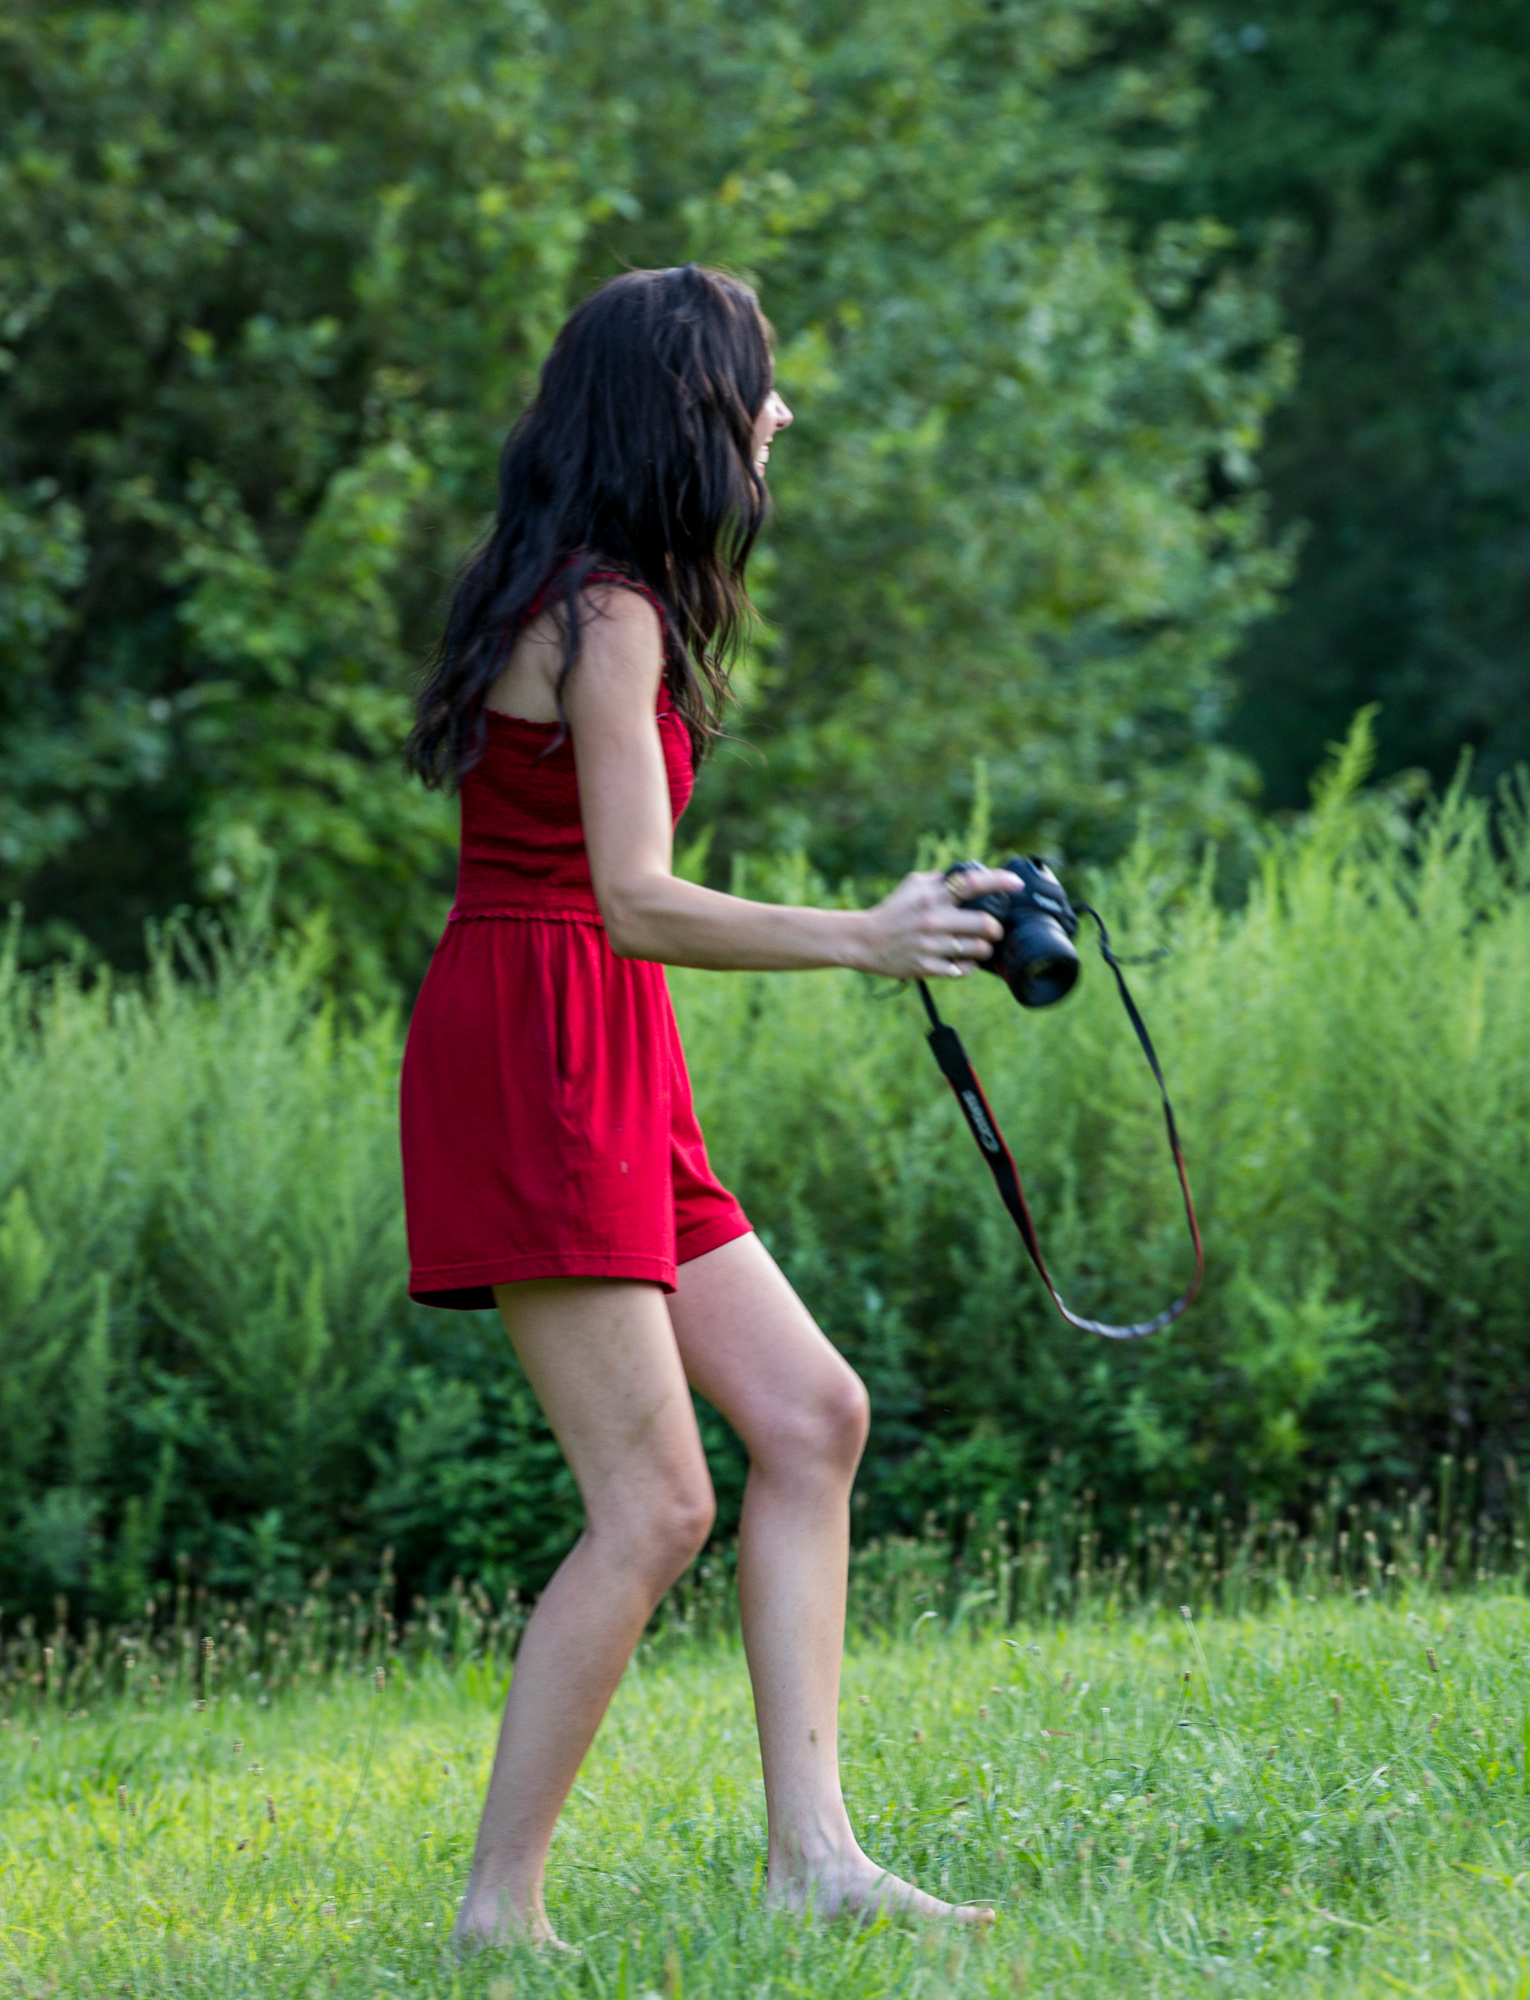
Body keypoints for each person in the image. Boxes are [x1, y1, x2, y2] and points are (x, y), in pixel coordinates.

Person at [399, 265, 1011, 1943]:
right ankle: (497, 1915)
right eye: (760, 383)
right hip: (544, 1048)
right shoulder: (606, 616)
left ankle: (817, 1866)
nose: (782, 410)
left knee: (812, 1418)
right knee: (656, 1504)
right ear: (691, 413)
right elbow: (634, 898)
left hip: (596, 1044)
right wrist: (866, 938)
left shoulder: (591, 594)